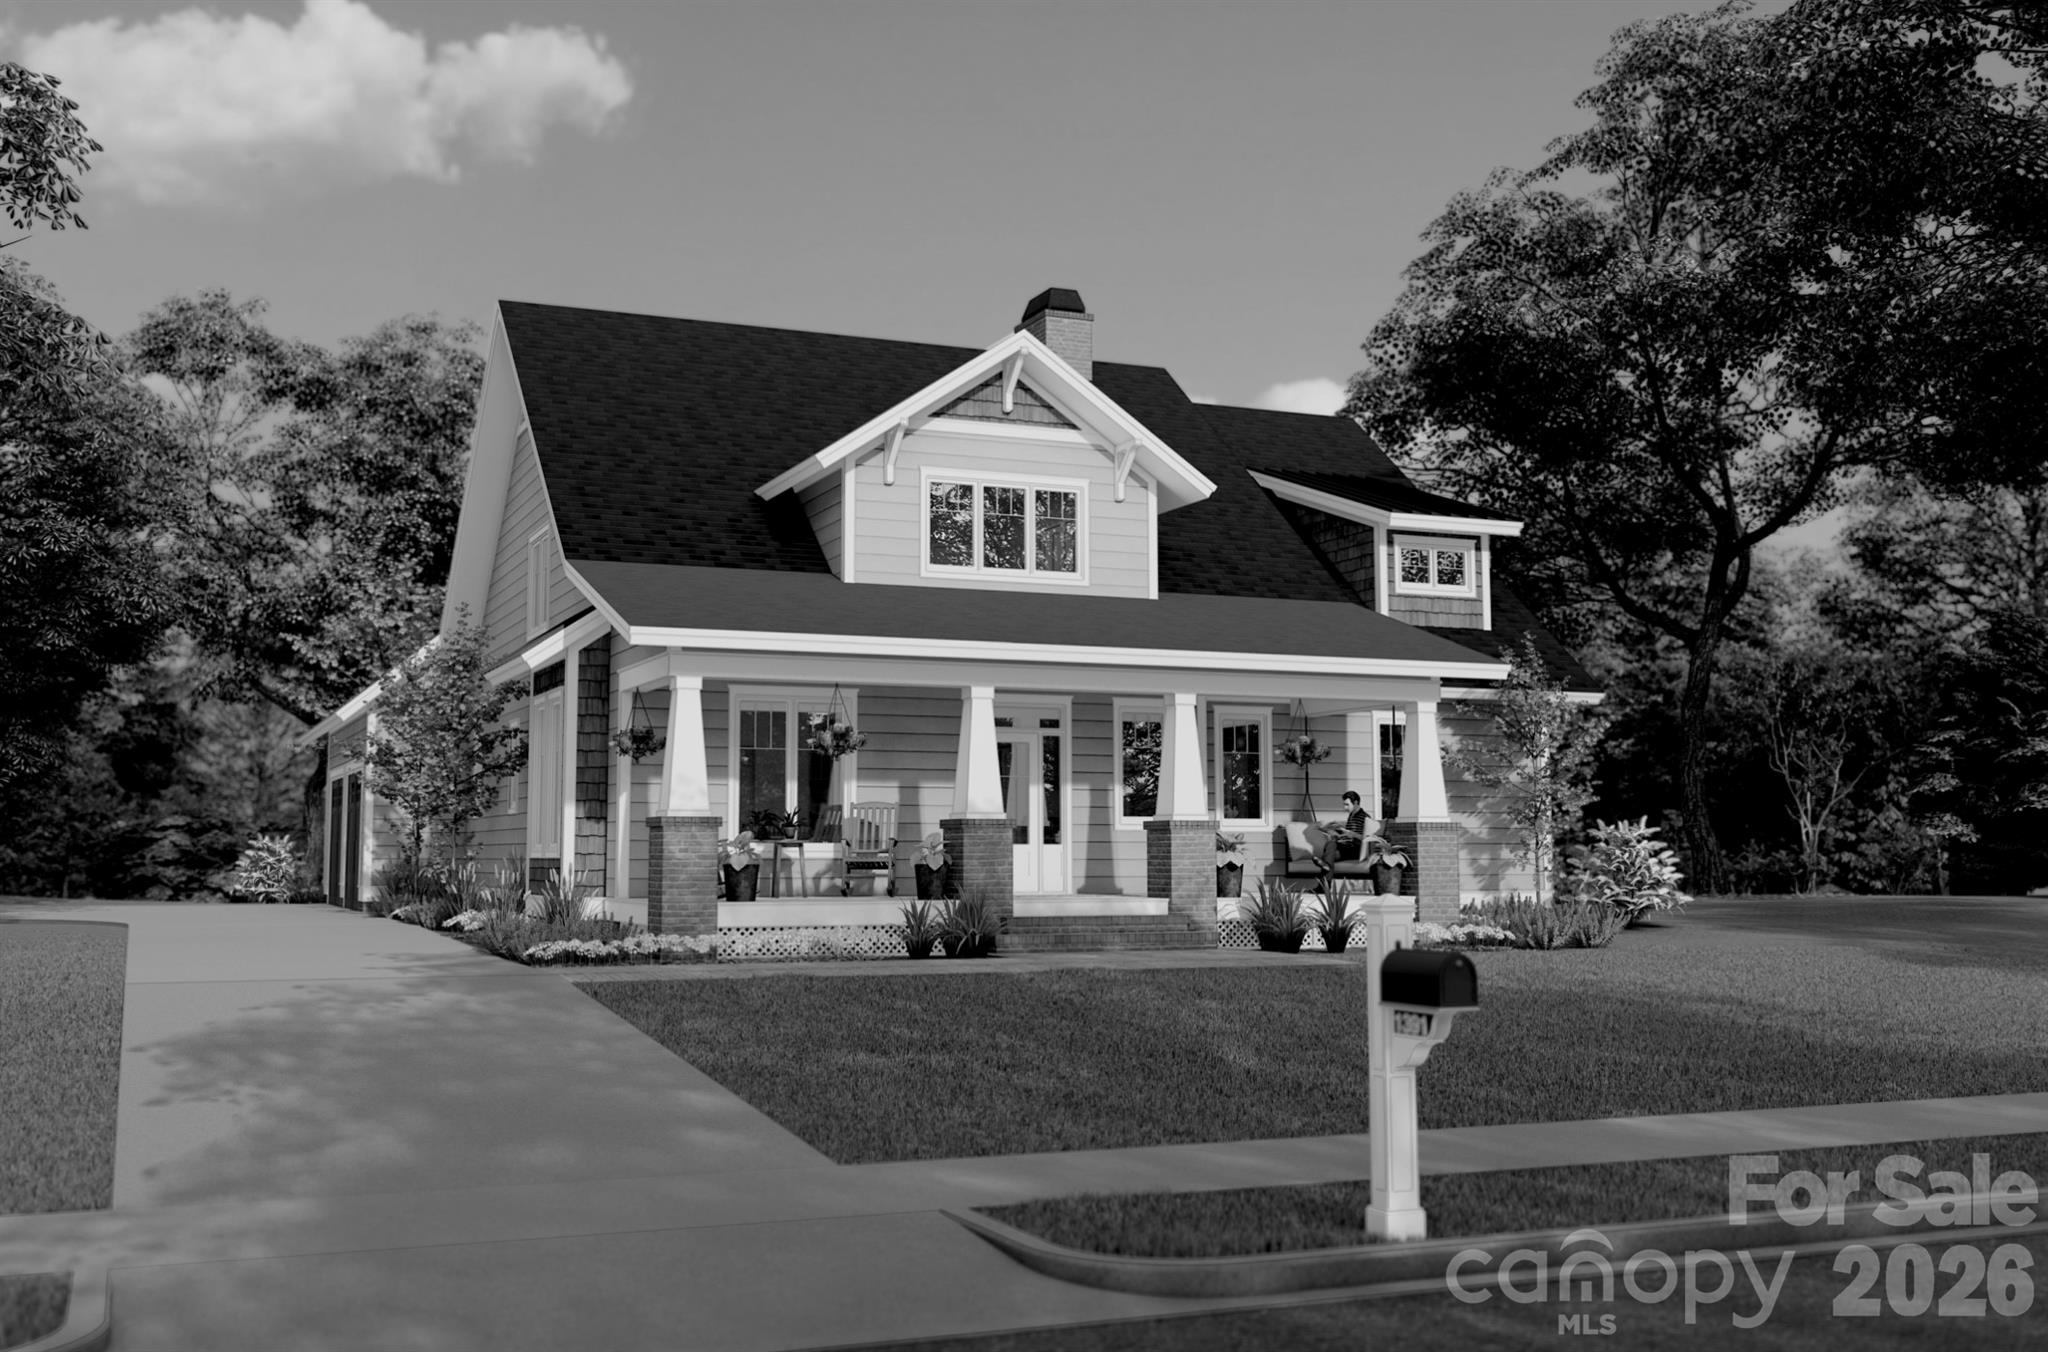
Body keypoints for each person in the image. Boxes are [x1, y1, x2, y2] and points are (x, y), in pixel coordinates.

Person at [1318, 790, 1372, 871]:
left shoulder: (1365, 817)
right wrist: (1338, 831)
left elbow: (1369, 839)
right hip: (1347, 846)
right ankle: (1326, 877)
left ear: (1356, 802)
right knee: (1330, 846)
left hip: (1356, 849)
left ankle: (1325, 879)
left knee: (1328, 857)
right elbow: (1349, 832)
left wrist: (1352, 834)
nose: (1345, 808)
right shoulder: (1351, 815)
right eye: (1344, 805)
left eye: (1347, 805)